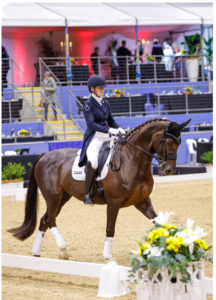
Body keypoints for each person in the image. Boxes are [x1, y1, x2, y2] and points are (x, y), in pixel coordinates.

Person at [78, 75, 126, 205]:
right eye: (100, 88)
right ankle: (87, 194)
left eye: (103, 88)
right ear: (92, 89)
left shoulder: (105, 103)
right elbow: (91, 125)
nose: (102, 90)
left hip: (107, 136)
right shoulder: (88, 104)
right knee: (93, 162)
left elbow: (111, 121)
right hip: (95, 137)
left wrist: (120, 128)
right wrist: (110, 130)